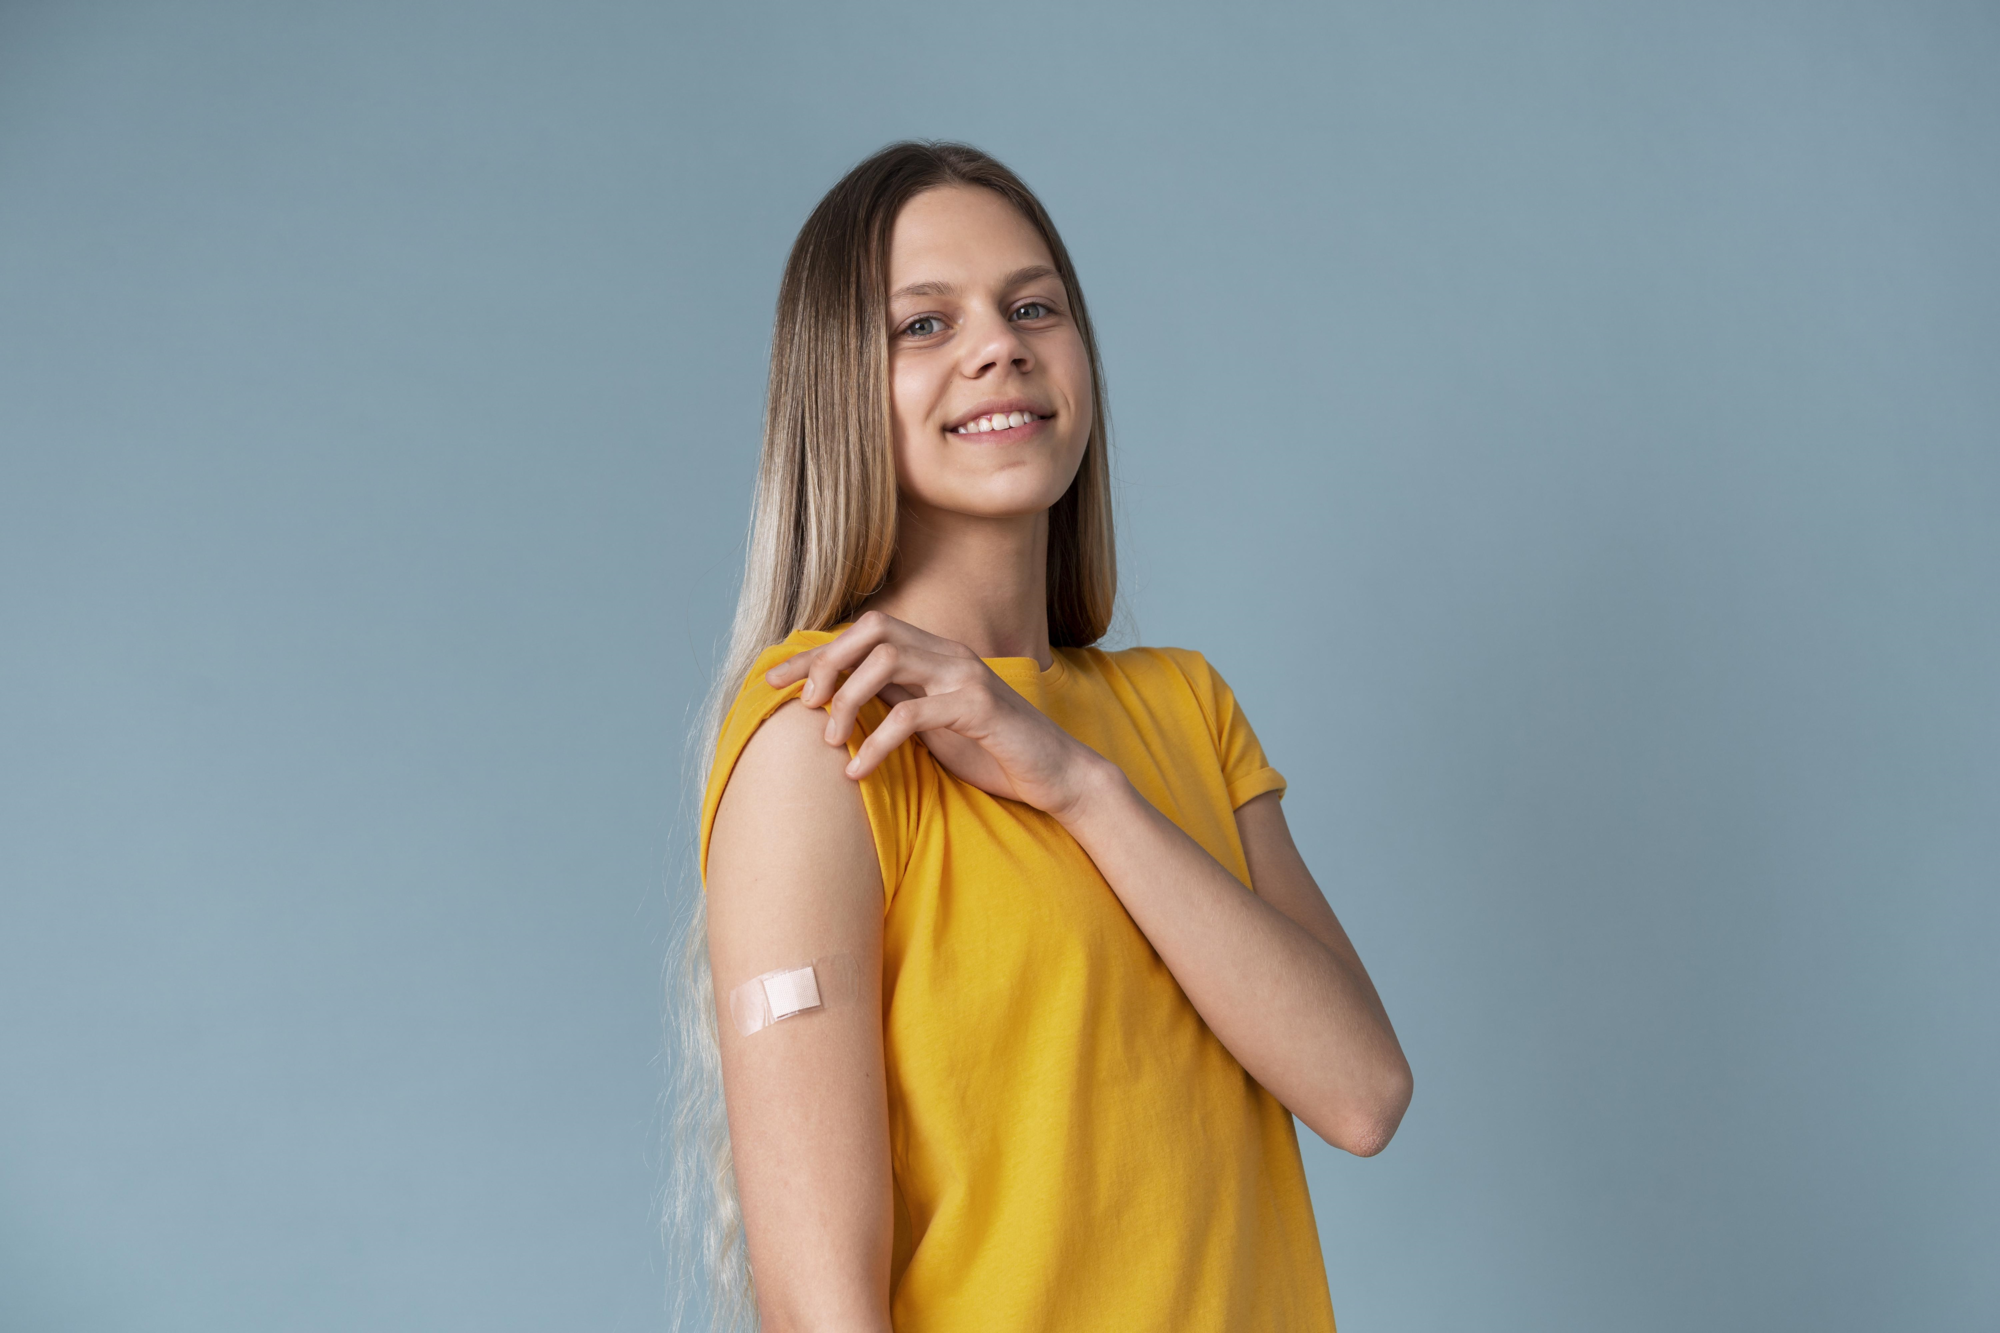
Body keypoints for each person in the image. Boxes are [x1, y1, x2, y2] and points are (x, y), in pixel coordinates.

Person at [680, 141, 1412, 1332]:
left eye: (1033, 307)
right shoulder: (823, 733)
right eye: (922, 324)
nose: (997, 344)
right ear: (836, 391)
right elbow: (819, 1310)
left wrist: (1076, 785)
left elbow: (1362, 1090)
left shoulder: (1183, 707)